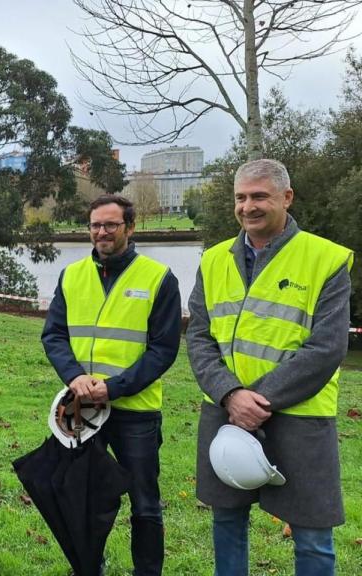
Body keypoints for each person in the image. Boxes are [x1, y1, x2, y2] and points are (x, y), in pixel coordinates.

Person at [187, 159, 353, 576]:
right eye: (240, 197)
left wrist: (256, 399)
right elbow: (199, 338)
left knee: (312, 536)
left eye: (259, 196)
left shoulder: (325, 259)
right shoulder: (213, 261)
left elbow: (326, 348)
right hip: (225, 411)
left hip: (299, 416)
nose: (248, 207)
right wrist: (230, 394)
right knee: (226, 520)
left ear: (286, 197)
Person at [41, 194, 181, 575]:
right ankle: (89, 567)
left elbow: (163, 349)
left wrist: (114, 387)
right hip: (83, 408)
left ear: (130, 228)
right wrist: (74, 377)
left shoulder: (159, 278)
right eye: (95, 225)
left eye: (110, 225)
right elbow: (53, 335)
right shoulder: (71, 275)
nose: (101, 232)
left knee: (145, 502)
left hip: (135, 412)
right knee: (82, 497)